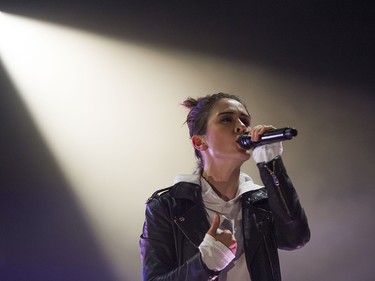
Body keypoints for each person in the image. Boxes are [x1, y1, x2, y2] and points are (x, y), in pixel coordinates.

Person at [140, 92, 310, 281]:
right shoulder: (167, 206)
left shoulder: (261, 201)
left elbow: (295, 238)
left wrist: (271, 164)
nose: (241, 127)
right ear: (199, 142)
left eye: (245, 121)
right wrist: (206, 264)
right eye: (227, 120)